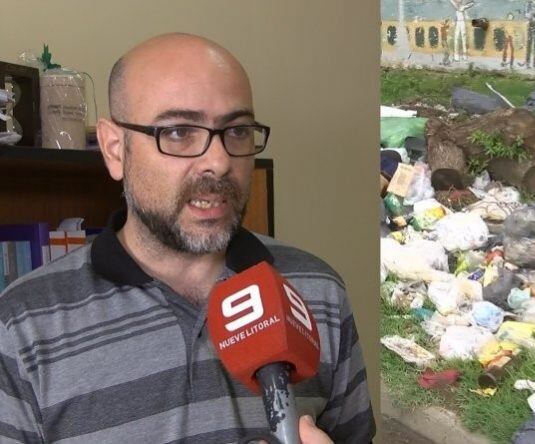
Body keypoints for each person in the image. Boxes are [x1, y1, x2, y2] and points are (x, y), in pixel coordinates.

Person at [0, 33, 375, 443]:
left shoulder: (318, 291)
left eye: (237, 131)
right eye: (178, 132)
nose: (219, 161)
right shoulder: (21, 327)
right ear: (114, 149)